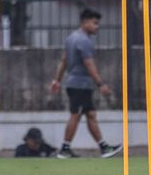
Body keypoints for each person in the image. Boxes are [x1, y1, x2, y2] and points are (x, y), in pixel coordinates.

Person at [50, 8, 122, 159]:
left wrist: (57, 80)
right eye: (95, 23)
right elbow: (89, 65)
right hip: (80, 84)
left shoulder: (71, 38)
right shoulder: (84, 41)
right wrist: (101, 84)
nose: (97, 26)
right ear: (85, 22)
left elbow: (63, 61)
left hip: (75, 83)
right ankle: (64, 149)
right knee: (75, 115)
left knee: (90, 114)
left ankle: (103, 147)